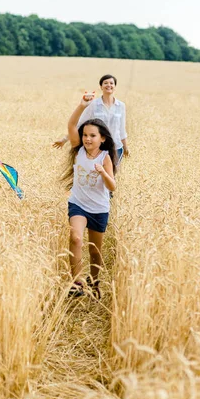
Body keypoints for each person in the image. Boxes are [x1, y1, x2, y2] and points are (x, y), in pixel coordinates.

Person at [62, 95, 117, 299]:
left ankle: (94, 282)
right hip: (78, 204)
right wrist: (82, 105)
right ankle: (76, 283)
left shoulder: (105, 157)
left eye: (92, 136)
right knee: (76, 238)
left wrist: (103, 172)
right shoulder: (79, 151)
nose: (87, 139)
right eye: (85, 135)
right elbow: (71, 124)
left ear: (102, 138)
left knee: (95, 252)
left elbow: (113, 186)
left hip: (99, 208)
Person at [53, 74, 129, 161]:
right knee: (98, 173)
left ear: (115, 87)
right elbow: (80, 124)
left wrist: (125, 148)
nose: (109, 85)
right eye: (105, 83)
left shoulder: (121, 106)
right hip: (97, 147)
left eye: (111, 83)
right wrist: (64, 139)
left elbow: (122, 129)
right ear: (101, 87)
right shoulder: (93, 104)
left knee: (112, 174)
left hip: (116, 147)